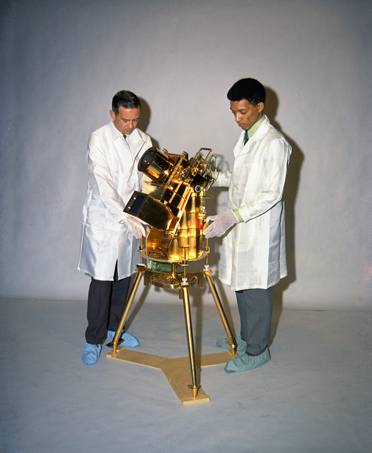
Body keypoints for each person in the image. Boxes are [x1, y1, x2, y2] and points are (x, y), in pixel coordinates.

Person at [204, 78, 291, 373]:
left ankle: (257, 350)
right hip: (242, 223)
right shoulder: (246, 138)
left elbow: (272, 193)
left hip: (258, 227)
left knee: (256, 290)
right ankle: (246, 338)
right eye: (234, 113)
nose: (238, 119)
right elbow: (240, 178)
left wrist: (231, 217)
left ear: (259, 107)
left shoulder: (274, 143)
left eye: (243, 112)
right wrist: (212, 178)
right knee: (243, 287)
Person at [77, 90, 152, 365]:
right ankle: (93, 339)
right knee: (102, 281)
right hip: (106, 220)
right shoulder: (99, 138)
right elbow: (102, 182)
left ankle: (115, 330)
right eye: (125, 120)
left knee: (124, 279)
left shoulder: (145, 140)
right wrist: (124, 214)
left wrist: (143, 212)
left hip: (132, 220)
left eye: (135, 120)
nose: (131, 126)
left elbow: (146, 180)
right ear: (113, 115)